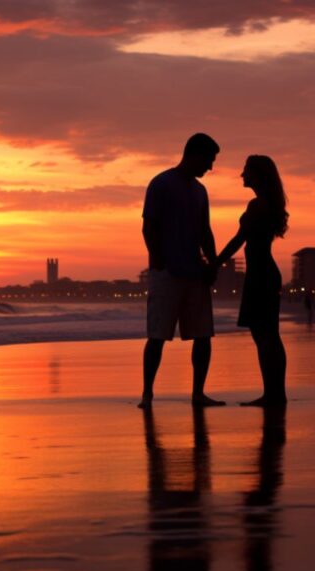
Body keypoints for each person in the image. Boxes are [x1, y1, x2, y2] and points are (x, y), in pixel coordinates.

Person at [140, 133, 225, 409]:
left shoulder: (200, 191)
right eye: (209, 160)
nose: (210, 167)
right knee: (158, 335)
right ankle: (147, 394)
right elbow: (148, 226)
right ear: (194, 154)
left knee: (202, 334)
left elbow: (205, 232)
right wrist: (160, 261)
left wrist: (212, 264)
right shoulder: (161, 184)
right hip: (167, 274)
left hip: (195, 273)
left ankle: (198, 393)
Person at [212, 155, 289, 406]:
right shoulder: (267, 204)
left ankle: (273, 394)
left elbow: (238, 240)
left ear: (258, 175)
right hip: (263, 273)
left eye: (246, 170)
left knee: (265, 335)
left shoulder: (258, 206)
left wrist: (213, 263)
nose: (242, 175)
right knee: (268, 335)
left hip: (261, 275)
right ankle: (276, 393)